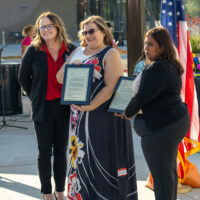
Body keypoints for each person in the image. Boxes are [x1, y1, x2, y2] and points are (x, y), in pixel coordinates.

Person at [56, 15, 138, 200]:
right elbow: (59, 77)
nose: (88, 35)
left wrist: (91, 106)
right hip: (78, 117)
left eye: (92, 31)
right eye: (85, 32)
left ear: (103, 31)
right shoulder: (77, 51)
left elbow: (111, 87)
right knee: (79, 157)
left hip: (101, 117)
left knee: (101, 157)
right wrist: (72, 68)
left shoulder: (111, 54)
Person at [117, 27, 190, 200]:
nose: (145, 48)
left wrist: (126, 113)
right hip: (175, 122)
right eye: (145, 44)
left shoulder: (157, 68)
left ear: (162, 47)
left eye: (150, 44)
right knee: (168, 174)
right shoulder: (171, 64)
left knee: (162, 177)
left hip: (162, 129)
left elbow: (141, 97)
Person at [19, 11, 76, 200]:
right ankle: (46, 193)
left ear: (57, 27)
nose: (45, 30)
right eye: (41, 27)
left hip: (64, 108)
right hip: (43, 107)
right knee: (44, 151)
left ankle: (60, 191)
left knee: (60, 150)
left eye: (48, 26)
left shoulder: (70, 49)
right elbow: (22, 78)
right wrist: (35, 96)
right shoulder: (33, 51)